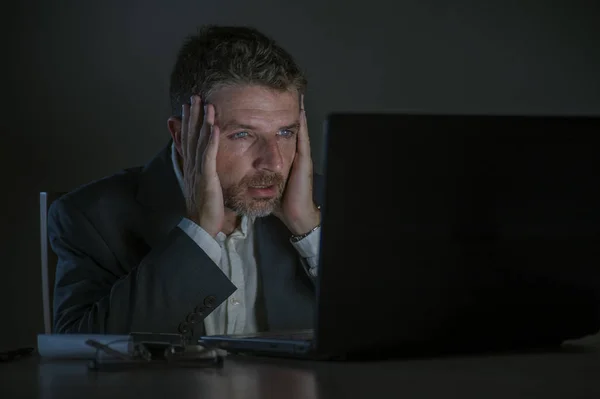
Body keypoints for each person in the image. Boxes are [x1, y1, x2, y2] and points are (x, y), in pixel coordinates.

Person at [48, 25, 323, 340]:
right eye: (243, 134)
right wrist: (198, 233)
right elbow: (77, 354)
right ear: (182, 136)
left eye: (285, 132)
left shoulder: (326, 206)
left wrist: (309, 228)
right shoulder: (89, 217)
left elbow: (384, 333)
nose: (273, 161)